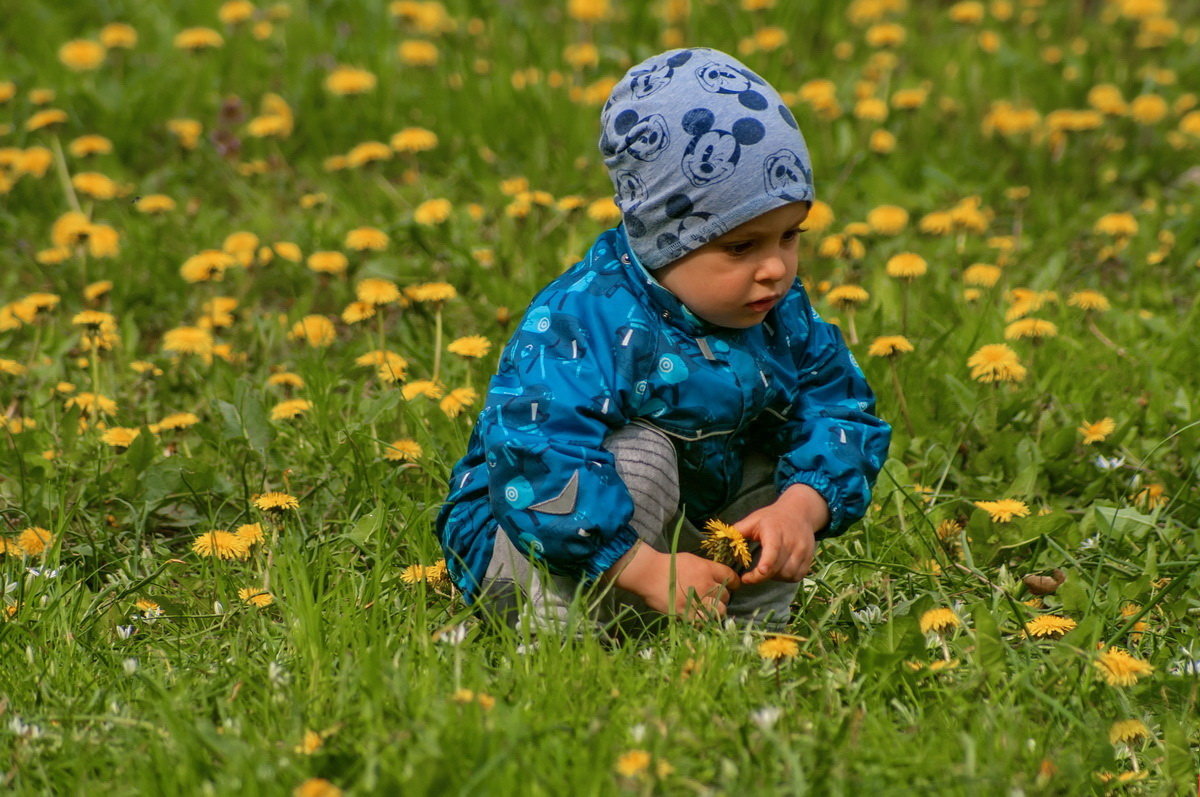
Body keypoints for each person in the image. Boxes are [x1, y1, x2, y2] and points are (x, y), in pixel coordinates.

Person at [435, 47, 891, 632]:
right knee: (644, 457)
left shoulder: (779, 312)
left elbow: (839, 406)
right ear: (662, 238)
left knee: (778, 465)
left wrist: (801, 507)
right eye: (740, 246)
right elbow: (536, 450)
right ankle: (558, 627)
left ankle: (743, 624)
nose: (776, 268)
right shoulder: (589, 314)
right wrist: (640, 566)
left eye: (789, 237)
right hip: (532, 544)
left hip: (679, 530)